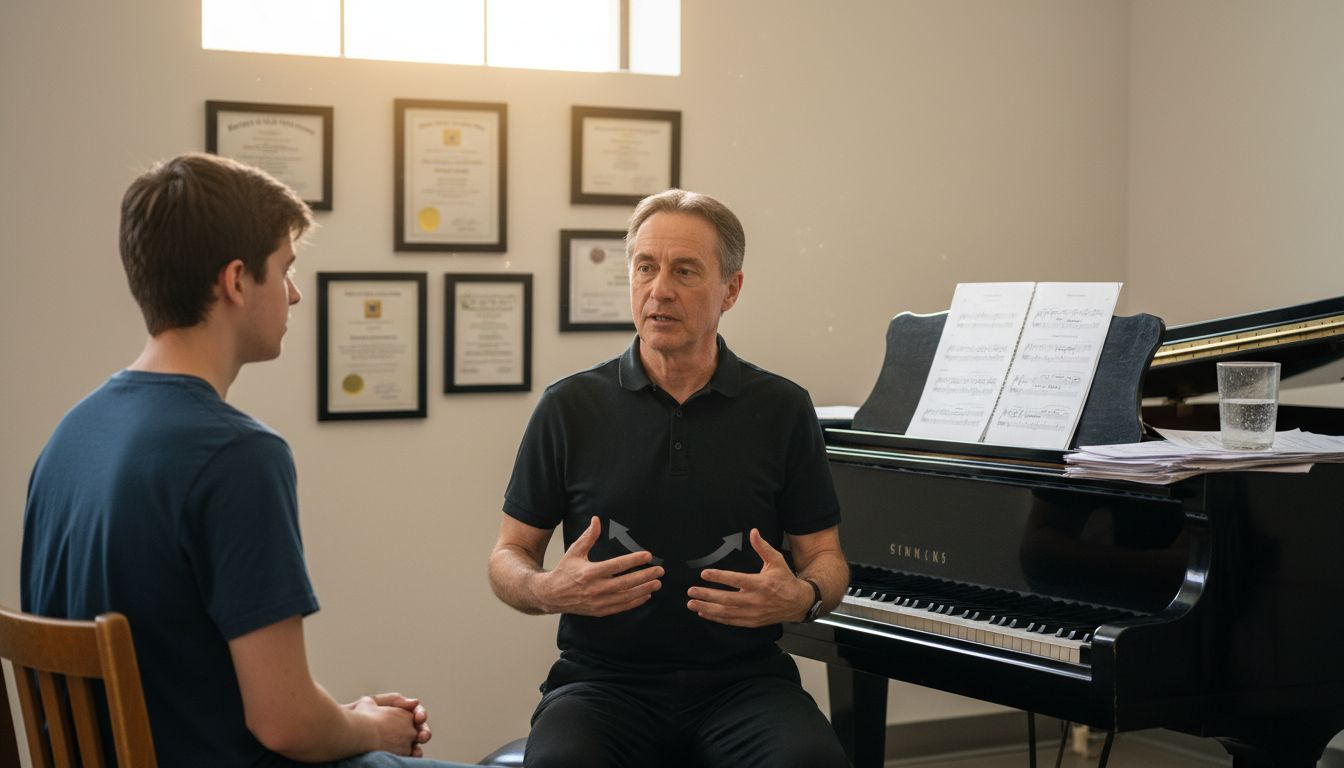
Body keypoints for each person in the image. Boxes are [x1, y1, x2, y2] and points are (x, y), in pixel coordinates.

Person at [21, 153, 473, 768]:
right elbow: (285, 723)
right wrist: (372, 729)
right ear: (236, 281)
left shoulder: (72, 435)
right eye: (284, 269)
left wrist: (347, 718)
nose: (293, 293)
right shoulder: (237, 455)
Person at [488, 189, 852, 768]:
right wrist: (545, 589)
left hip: (747, 685)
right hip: (600, 685)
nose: (660, 290)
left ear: (731, 289)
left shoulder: (783, 408)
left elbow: (827, 559)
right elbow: (509, 555)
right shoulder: (569, 407)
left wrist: (801, 596)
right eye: (645, 268)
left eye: (685, 271)